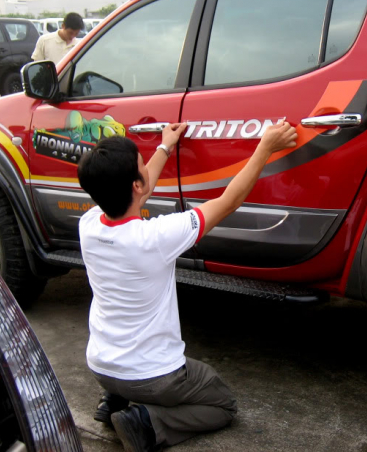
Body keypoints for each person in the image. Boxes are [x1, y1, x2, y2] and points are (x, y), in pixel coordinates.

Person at [77, 120, 297, 451]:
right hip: (154, 376)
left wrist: (165, 147)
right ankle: (147, 423)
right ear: (136, 184)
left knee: (127, 367)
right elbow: (229, 201)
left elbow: (139, 191)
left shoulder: (89, 224)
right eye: (142, 164)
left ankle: (116, 399)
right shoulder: (156, 238)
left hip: (102, 366)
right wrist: (265, 147)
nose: (144, 169)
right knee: (222, 404)